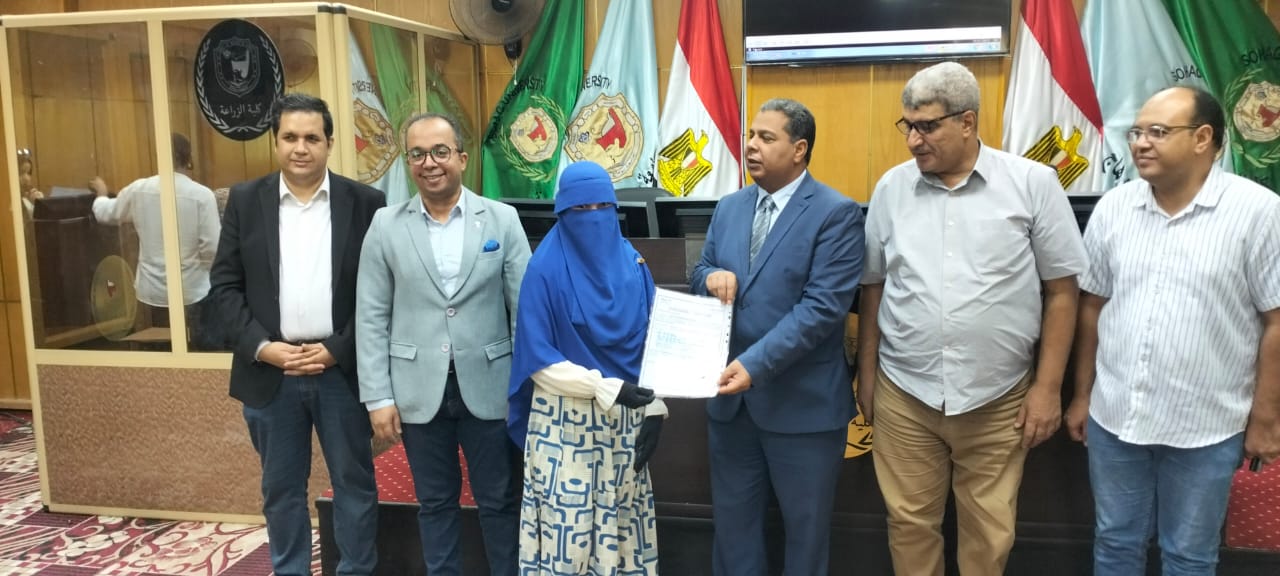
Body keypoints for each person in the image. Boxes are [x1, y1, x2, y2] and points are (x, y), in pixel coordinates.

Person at [857, 60, 1086, 575]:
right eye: (908, 125)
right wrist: (867, 376)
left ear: (967, 121)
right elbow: (873, 288)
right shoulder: (891, 189)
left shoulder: (1033, 183)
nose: (913, 141)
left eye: (927, 126)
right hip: (905, 393)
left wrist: (1048, 388)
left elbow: (1062, 292)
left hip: (997, 397)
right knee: (908, 523)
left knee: (989, 531)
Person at [1066, 86, 1280, 575]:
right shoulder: (1115, 208)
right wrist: (1082, 395)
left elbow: (1276, 320)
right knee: (1115, 543)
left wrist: (1267, 419)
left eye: (1158, 132)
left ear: (1203, 138)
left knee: (1188, 555)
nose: (1140, 143)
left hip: (1207, 426)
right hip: (1116, 417)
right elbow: (1092, 306)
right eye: (1136, 132)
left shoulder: (1259, 212)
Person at [208, 93, 384, 576]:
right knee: (281, 489)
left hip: (341, 372)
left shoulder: (366, 203)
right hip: (271, 374)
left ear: (330, 143)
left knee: (354, 485)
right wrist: (264, 348)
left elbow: (380, 292)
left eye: (311, 137)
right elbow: (224, 285)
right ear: (275, 142)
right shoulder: (246, 201)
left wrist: (336, 349)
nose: (300, 148)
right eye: (289, 137)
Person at [690, 98, 864, 576]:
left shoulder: (836, 214)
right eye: (750, 135)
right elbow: (701, 270)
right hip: (732, 408)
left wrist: (755, 365)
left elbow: (822, 310)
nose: (751, 146)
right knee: (734, 534)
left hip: (802, 408)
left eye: (766, 138)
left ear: (799, 150)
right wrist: (709, 277)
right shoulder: (729, 207)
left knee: (805, 538)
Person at [356, 112, 529, 576]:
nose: (429, 163)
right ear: (407, 162)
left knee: (499, 500)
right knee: (434, 504)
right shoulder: (385, 225)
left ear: (462, 158)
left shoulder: (502, 220)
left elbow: (524, 310)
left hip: (491, 386)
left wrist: (523, 387)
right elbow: (370, 316)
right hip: (417, 389)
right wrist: (378, 397)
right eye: (417, 154)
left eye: (439, 151)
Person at [507, 160, 666, 574]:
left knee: (624, 533)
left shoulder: (634, 265)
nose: (593, 217)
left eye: (602, 207)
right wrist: (604, 387)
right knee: (569, 541)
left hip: (625, 421)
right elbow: (539, 361)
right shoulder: (544, 269)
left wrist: (655, 407)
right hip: (565, 424)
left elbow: (655, 344)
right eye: (580, 209)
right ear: (563, 212)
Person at [89, 133, 220, 349]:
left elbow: (106, 213)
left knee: (156, 353)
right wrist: (202, 270)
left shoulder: (138, 189)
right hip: (192, 290)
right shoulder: (202, 195)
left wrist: (101, 194)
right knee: (195, 351)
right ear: (189, 158)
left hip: (149, 292)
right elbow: (212, 248)